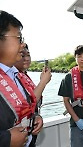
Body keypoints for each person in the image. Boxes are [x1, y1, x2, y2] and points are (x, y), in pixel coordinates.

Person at [0, 10, 43, 147]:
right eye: (19, 38)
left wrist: (35, 117)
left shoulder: (15, 75)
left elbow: (23, 108)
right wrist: (6, 139)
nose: (23, 44)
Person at [14, 43, 52, 146]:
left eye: (28, 55)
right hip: (19, 136)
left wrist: (36, 115)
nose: (26, 58)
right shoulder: (12, 78)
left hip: (29, 134)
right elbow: (27, 103)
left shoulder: (24, 76)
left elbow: (34, 101)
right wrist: (43, 82)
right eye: (22, 55)